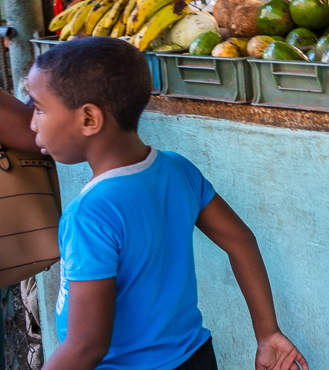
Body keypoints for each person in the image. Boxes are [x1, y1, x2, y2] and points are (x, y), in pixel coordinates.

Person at [25, 37, 308, 370]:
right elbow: (241, 241)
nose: (32, 123)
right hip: (196, 359)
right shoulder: (176, 169)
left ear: (90, 119)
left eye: (40, 108)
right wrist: (267, 334)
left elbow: (86, 346)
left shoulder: (89, 215)